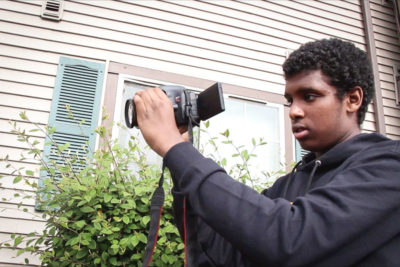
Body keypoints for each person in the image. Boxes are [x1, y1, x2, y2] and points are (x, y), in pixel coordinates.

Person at [133, 38, 400, 266]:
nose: (294, 111)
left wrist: (174, 147)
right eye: (290, 100)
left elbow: (291, 240)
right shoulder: (287, 185)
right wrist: (182, 158)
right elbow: (218, 254)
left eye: (309, 96)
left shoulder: (388, 166)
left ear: (353, 99)